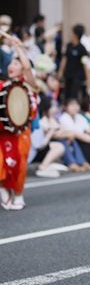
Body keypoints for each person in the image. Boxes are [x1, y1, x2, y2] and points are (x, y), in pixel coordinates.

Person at [0, 36, 39, 210]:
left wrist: (18, 49)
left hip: (22, 132)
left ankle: (18, 195)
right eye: (11, 64)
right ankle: (3, 188)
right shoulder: (4, 86)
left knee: (20, 165)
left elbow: (28, 67)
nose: (11, 66)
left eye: (16, 64)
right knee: (2, 162)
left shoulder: (30, 85)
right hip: (4, 131)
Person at [57, 24, 90, 103]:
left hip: (77, 75)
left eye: (72, 32)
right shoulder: (68, 46)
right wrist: (60, 71)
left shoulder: (82, 48)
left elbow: (85, 63)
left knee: (74, 93)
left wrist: (87, 77)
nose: (70, 34)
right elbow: (64, 59)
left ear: (76, 35)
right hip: (68, 74)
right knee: (66, 92)